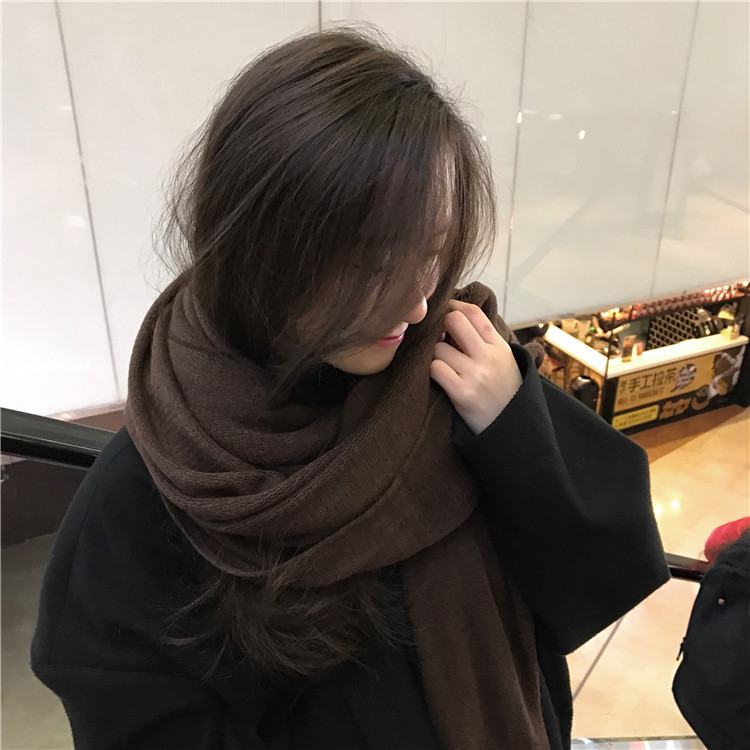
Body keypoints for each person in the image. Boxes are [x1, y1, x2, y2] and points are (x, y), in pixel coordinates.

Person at [30, 27, 670, 750]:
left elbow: (610, 568)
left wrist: (516, 429)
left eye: (435, 252)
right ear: (262, 246)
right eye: (374, 265)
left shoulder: (459, 366)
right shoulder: (151, 490)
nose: (417, 304)